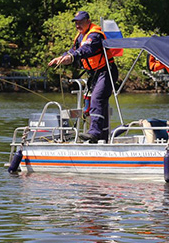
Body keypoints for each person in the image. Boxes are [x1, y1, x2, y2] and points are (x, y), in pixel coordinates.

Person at [48, 10, 119, 143]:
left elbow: (86, 50)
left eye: (80, 22)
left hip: (106, 71)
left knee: (97, 99)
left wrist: (72, 56)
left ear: (88, 21)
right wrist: (62, 58)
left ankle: (94, 133)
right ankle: (102, 136)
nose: (77, 26)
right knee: (98, 102)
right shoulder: (80, 36)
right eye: (76, 23)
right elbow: (73, 51)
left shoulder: (94, 35)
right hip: (94, 74)